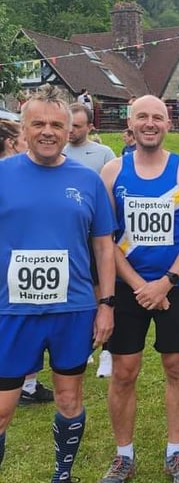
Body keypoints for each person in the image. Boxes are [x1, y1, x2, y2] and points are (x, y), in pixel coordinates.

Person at [0, 84, 116, 482]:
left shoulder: (87, 181)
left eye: (55, 124)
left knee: (69, 397)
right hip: (12, 310)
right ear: (23, 130)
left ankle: (61, 475)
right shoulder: (2, 174)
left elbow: (104, 247)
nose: (47, 131)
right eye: (38, 124)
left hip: (73, 309)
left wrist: (107, 304)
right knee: (2, 406)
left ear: (70, 130)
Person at [99, 95, 179, 483]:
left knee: (177, 368)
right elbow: (105, 238)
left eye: (157, 117)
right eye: (142, 117)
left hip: (177, 285)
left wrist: (166, 282)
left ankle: (175, 452)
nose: (150, 123)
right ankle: (123, 455)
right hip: (130, 288)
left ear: (167, 124)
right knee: (124, 372)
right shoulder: (111, 172)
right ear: (130, 123)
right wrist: (140, 285)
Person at [0, 119, 56, 405]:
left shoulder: (69, 175)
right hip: (10, 293)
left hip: (52, 292)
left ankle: (30, 385)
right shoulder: (6, 174)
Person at [63, 103, 117, 379]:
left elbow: (109, 197)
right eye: (68, 125)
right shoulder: (57, 152)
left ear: (89, 127)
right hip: (66, 241)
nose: (70, 131)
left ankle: (106, 349)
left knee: (100, 290)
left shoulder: (103, 153)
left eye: (77, 126)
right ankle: (82, 346)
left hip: (94, 235)